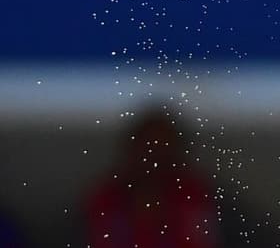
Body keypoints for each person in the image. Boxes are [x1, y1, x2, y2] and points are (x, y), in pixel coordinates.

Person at [83, 104, 222, 248]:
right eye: (148, 148)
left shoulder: (199, 197)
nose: (154, 158)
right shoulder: (104, 199)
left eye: (163, 149)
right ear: (131, 150)